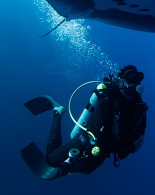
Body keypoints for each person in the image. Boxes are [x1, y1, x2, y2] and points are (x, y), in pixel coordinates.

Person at [20, 65, 148, 180]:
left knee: (84, 170)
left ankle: (66, 168)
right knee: (50, 161)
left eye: (138, 78)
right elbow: (100, 138)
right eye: (131, 77)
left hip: (103, 151)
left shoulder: (139, 108)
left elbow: (139, 135)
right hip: (87, 141)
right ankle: (57, 112)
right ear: (122, 80)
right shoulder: (107, 102)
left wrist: (127, 147)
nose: (135, 82)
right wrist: (122, 146)